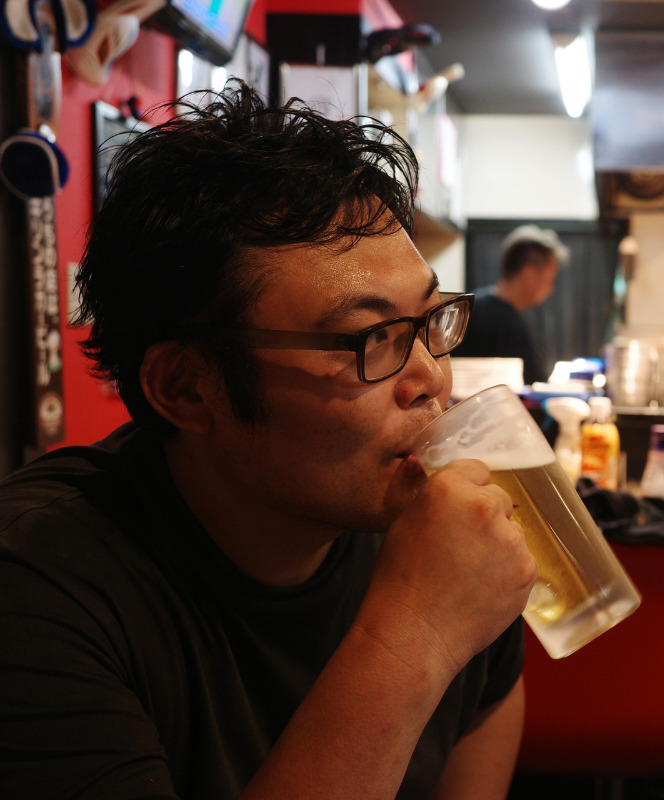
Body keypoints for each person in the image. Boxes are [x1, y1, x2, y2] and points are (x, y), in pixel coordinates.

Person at [0, 80, 538, 799]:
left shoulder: (433, 525)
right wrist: (417, 634)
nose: (429, 379)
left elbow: (485, 718)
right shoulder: (38, 585)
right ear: (188, 387)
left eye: (428, 320)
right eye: (369, 337)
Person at [454, 224, 567, 385]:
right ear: (528, 273)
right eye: (549, 280)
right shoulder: (510, 327)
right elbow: (535, 385)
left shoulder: (469, 306)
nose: (551, 290)